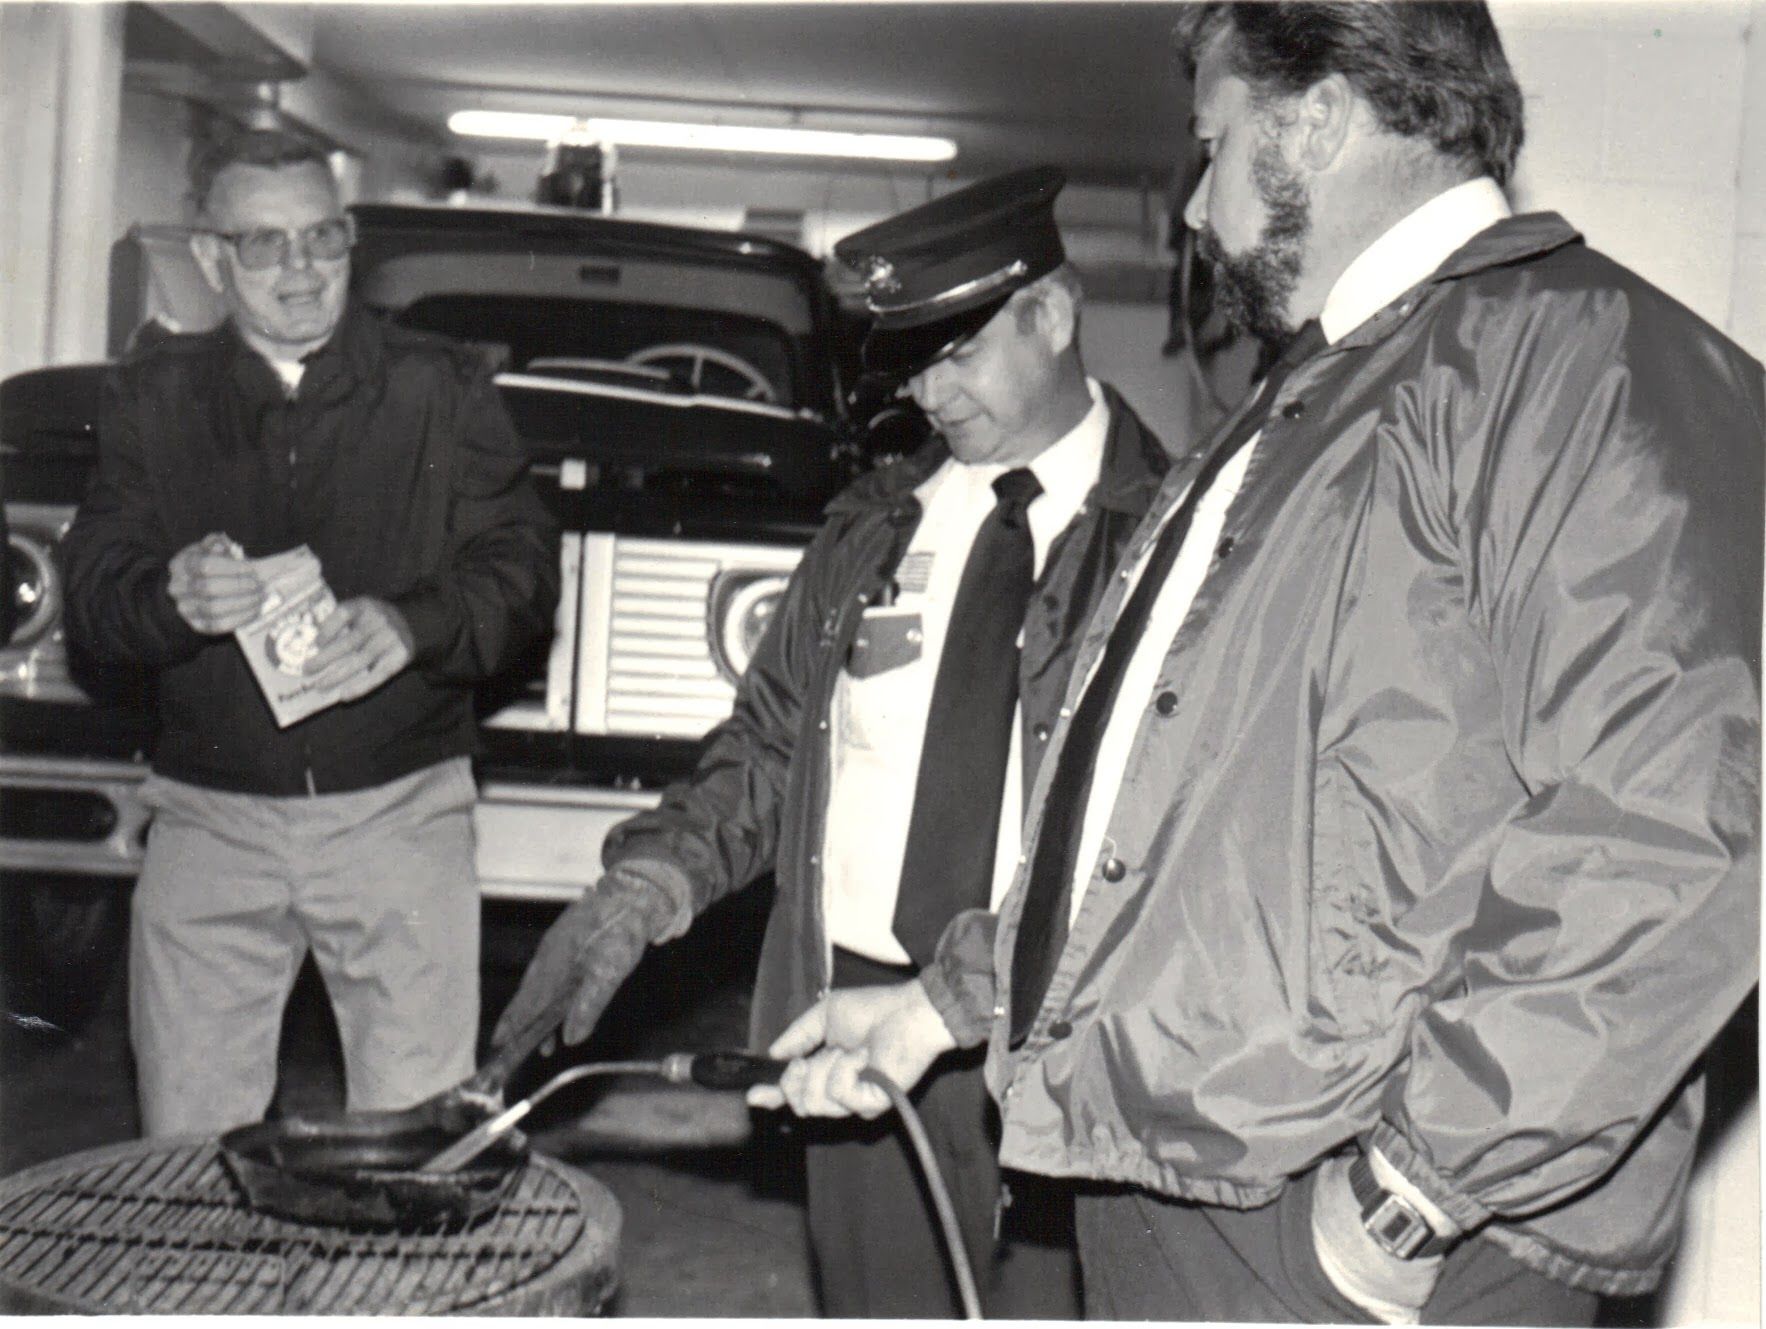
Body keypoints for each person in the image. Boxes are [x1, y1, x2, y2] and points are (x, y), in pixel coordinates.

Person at [756, 4, 1764, 1324]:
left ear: (1319, 113)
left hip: (1351, 1221)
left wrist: (1408, 1197)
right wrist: (936, 1008)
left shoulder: (1590, 365)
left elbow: (1669, 837)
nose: (1192, 206)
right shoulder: (1307, 407)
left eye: (1212, 146)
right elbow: (1165, 820)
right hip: (1197, 1171)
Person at [493, 166, 1170, 1318]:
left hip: (1059, 1023)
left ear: (1049, 316)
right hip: (850, 1008)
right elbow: (768, 748)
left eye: (953, 352)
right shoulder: (873, 525)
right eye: (909, 359)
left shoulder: (1166, 532)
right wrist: (651, 883)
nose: (928, 390)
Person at [59, 128, 559, 1138]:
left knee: (416, 1149)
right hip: (208, 819)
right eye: (263, 244)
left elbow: (521, 575)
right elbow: (92, 598)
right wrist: (169, 596)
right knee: (190, 1160)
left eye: (322, 239)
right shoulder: (150, 398)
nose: (301, 270)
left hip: (399, 815)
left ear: (350, 241)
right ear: (209, 259)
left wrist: (413, 626)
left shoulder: (443, 385)